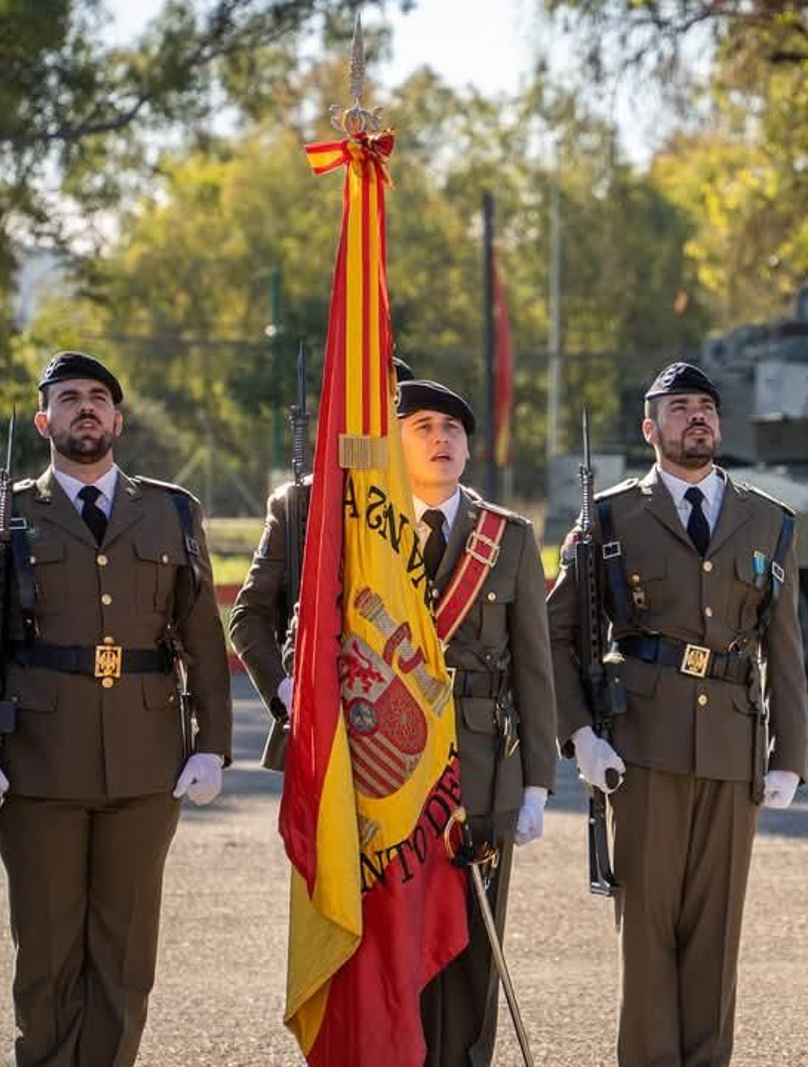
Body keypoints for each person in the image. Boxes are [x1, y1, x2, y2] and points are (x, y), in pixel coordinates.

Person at [232, 372, 556, 1067]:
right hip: (374, 771)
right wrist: (297, 697)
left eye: (452, 429)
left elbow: (534, 665)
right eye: (422, 428)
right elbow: (266, 620)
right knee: (383, 949)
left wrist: (536, 783)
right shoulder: (333, 518)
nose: (440, 440)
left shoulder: (507, 536)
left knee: (469, 951)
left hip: (478, 769)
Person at [0, 350, 232, 1067]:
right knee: (47, 957)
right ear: (45, 421)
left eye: (99, 397)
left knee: (125, 963)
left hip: (146, 766)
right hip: (37, 766)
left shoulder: (171, 510)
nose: (86, 407)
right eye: (69, 398)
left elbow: (203, 638)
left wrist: (211, 743)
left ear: (118, 420)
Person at [546, 361, 808, 1066]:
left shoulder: (768, 520)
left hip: (731, 748)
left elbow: (784, 649)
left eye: (706, 407)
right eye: (680, 407)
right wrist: (580, 734)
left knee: (716, 938)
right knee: (647, 934)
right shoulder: (609, 517)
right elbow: (556, 633)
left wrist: (789, 756)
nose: (697, 417)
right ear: (649, 428)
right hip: (641, 745)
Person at [230, 356, 413, 769]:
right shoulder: (298, 503)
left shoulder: (427, 504)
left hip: (409, 729)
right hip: (320, 733)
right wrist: (285, 690)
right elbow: (248, 616)